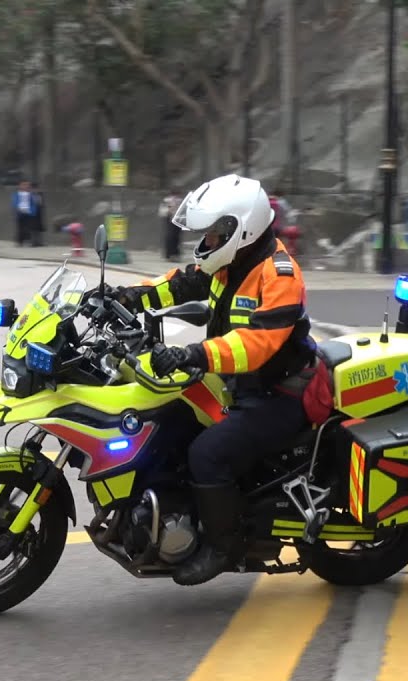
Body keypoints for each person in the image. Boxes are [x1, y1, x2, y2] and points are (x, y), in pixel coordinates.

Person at [114, 174, 316, 587]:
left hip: (279, 393)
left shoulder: (278, 273)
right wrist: (127, 296)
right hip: (238, 385)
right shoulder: (230, 262)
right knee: (169, 424)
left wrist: (194, 355)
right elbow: (180, 282)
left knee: (208, 454)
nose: (206, 241)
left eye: (214, 232)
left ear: (241, 228)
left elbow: (259, 343)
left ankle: (224, 547)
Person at [13, 180, 39, 247]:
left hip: (29, 213)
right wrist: (18, 209)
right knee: (20, 228)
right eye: (23, 185)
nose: (25, 186)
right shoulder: (17, 194)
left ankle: (28, 241)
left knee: (28, 228)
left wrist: (32, 211)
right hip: (20, 213)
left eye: (27, 185)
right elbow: (15, 202)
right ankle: (20, 242)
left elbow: (34, 203)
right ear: (20, 185)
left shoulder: (30, 194)